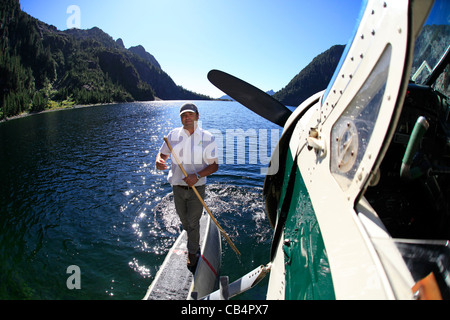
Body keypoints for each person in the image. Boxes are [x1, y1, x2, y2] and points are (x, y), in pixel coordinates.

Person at [156, 103, 219, 267]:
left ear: (197, 116)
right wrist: (159, 161)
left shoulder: (207, 137)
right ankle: (192, 235)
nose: (187, 117)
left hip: (197, 188)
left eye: (190, 114)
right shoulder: (173, 135)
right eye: (184, 115)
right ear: (181, 118)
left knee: (192, 222)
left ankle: (193, 252)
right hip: (177, 186)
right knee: (184, 220)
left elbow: (214, 166)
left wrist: (196, 176)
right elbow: (163, 153)